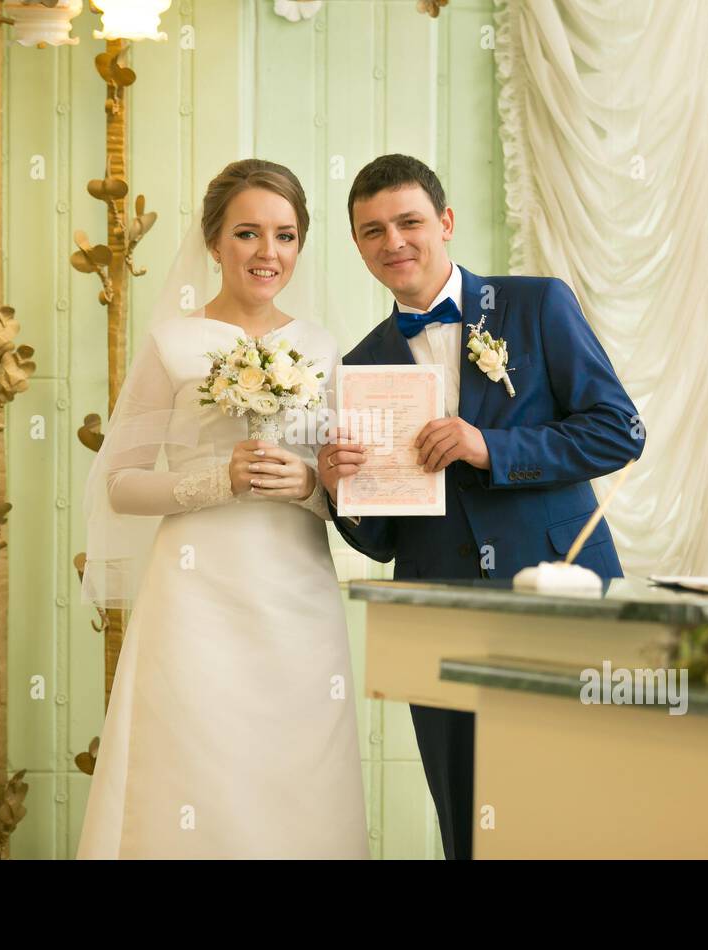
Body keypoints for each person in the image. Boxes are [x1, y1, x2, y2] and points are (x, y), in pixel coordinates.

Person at [316, 154, 644, 860]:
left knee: (587, 801)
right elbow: (379, 538)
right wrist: (342, 490)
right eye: (372, 231)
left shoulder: (536, 304)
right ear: (357, 245)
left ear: (446, 222)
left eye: (409, 222)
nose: (393, 242)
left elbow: (620, 430)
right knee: (465, 814)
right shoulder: (360, 364)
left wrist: (488, 446)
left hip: (560, 589)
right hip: (435, 610)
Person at [76, 159, 368, 859]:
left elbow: (344, 493)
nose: (268, 253)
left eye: (286, 235)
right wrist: (215, 481)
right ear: (214, 242)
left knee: (298, 769)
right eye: (247, 234)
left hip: (299, 598)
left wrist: (305, 484)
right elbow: (118, 483)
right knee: (195, 765)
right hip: (196, 597)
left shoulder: (323, 348)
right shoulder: (173, 345)